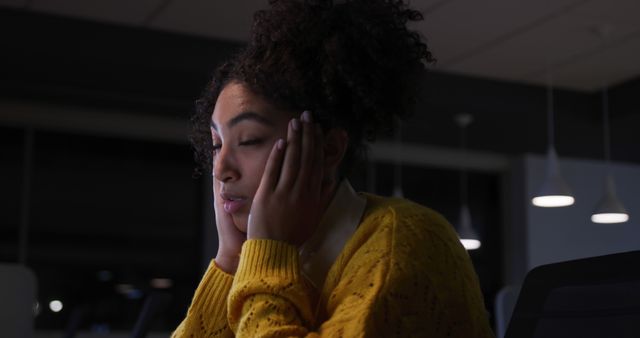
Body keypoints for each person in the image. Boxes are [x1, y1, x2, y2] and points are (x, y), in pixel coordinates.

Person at [173, 0, 494, 337]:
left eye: (249, 139)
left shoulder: (402, 239)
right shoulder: (277, 255)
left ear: (328, 149)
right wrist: (230, 261)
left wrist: (266, 255)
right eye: (216, 144)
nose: (221, 168)